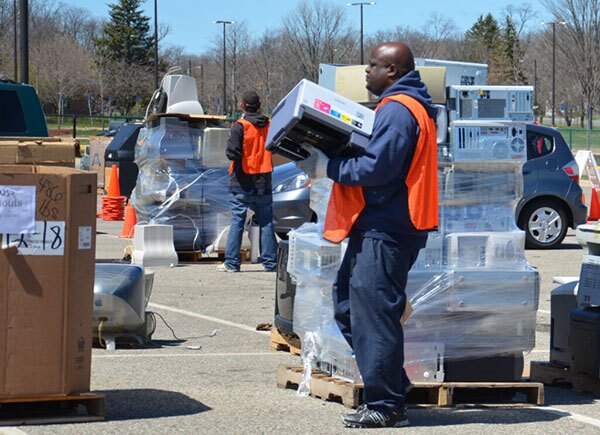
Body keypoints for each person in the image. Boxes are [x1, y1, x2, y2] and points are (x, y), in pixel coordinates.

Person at [295, 42, 439, 428]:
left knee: (374, 315)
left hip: (387, 228)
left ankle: (387, 404)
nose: (366, 71)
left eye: (373, 65)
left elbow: (379, 168)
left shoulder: (397, 109)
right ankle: (392, 385)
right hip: (381, 226)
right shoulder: (405, 107)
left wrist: (330, 167)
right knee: (349, 305)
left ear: (392, 71)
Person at [217, 91, 278, 273]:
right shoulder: (269, 124)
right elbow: (274, 147)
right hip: (263, 181)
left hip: (242, 181)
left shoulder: (239, 126)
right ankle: (270, 263)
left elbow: (232, 153)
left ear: (243, 105)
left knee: (237, 222)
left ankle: (232, 263)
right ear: (259, 105)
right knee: (266, 223)